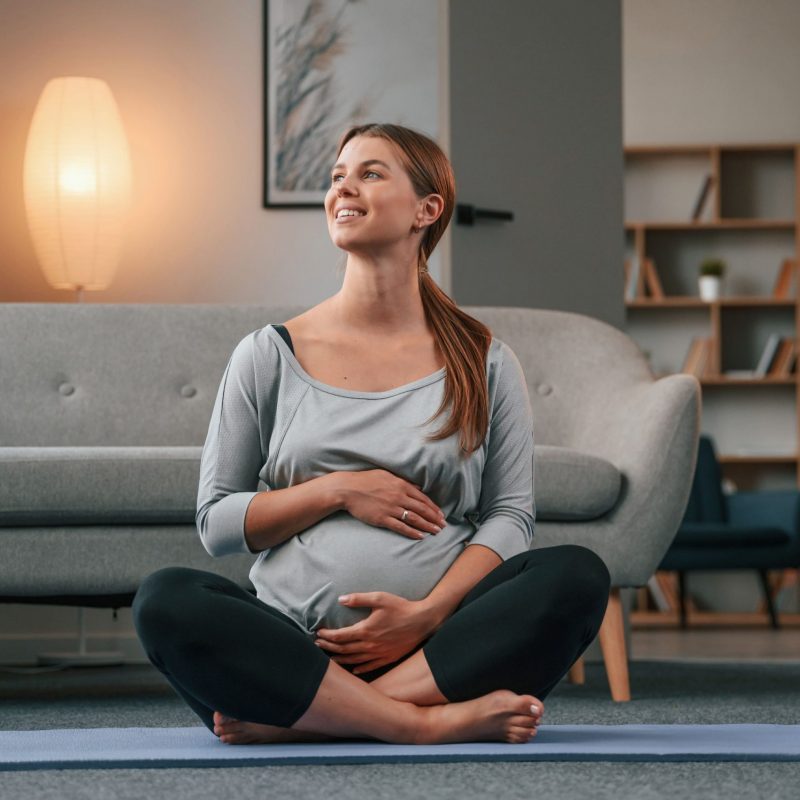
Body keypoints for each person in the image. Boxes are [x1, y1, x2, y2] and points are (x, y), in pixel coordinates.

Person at [132, 122, 610, 746]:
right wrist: (339, 491)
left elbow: (510, 518)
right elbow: (217, 524)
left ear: (426, 209)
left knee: (577, 575)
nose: (343, 189)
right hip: (291, 650)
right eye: (337, 177)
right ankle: (417, 724)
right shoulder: (268, 354)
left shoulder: (484, 359)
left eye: (370, 173)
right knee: (166, 599)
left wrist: (425, 615)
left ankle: (316, 720)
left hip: (438, 652)